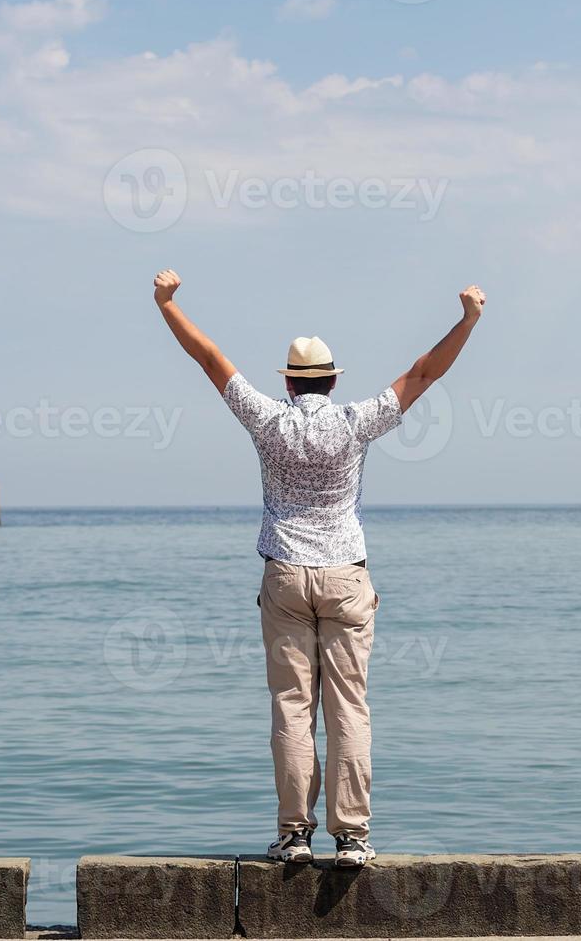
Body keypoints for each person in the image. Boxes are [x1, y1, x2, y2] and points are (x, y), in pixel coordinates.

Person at [151, 269, 488, 867]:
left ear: (288, 382)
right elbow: (424, 372)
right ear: (332, 381)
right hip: (345, 574)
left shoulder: (267, 420)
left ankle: (294, 835)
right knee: (349, 707)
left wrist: (166, 304)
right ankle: (352, 838)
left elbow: (210, 359)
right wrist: (467, 321)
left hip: (284, 573)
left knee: (292, 707)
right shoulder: (356, 421)